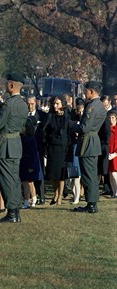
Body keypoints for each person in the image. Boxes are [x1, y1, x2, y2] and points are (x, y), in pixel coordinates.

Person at [0, 73, 29, 223]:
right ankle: (15, 211)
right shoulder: (23, 103)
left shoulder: (9, 103)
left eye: (8, 83)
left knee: (6, 179)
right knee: (14, 178)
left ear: (12, 85)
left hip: (6, 145)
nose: (6, 86)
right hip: (16, 143)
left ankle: (12, 212)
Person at [70, 80, 107, 213]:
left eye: (86, 90)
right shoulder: (100, 105)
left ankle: (91, 204)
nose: (84, 93)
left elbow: (85, 127)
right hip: (92, 140)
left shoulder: (92, 106)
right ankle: (91, 202)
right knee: (90, 173)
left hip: (88, 141)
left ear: (91, 91)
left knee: (88, 174)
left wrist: (72, 125)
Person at [43, 96, 71, 205]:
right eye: (54, 103)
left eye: (57, 103)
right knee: (52, 174)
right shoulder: (50, 116)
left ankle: (60, 196)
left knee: (61, 174)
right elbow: (45, 131)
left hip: (63, 148)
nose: (55, 106)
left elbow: (69, 132)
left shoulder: (67, 116)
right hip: (52, 147)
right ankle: (55, 193)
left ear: (62, 104)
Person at [108, 111, 117, 197]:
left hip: (115, 154)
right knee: (111, 174)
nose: (111, 120)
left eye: (113, 118)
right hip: (108, 153)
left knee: (114, 173)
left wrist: (115, 153)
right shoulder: (107, 129)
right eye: (110, 118)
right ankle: (114, 192)